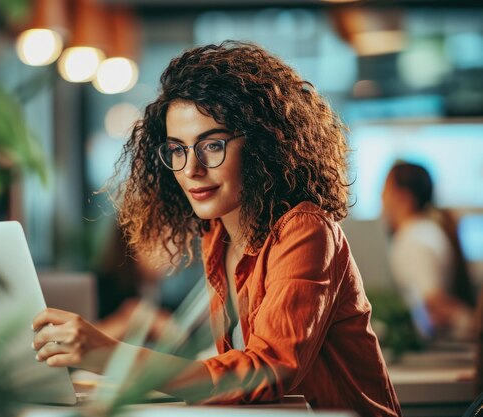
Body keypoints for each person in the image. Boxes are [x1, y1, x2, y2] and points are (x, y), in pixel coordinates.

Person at [31, 41, 401, 415]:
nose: (191, 169)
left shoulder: (305, 230)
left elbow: (266, 373)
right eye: (178, 149)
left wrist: (110, 355)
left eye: (211, 145)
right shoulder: (218, 236)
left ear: (262, 145)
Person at [381, 161, 475, 342]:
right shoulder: (425, 231)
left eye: (385, 190)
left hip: (446, 344)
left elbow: (435, 305)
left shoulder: (414, 239)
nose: (381, 199)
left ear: (403, 197)